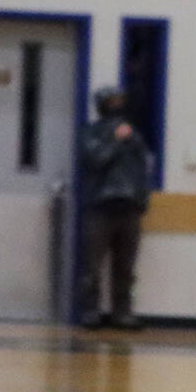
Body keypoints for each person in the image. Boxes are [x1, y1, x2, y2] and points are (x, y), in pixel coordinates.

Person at [79, 86, 151, 329]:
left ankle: (123, 312)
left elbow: (143, 167)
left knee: (126, 266)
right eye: (112, 101)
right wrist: (116, 140)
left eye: (119, 100)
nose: (117, 105)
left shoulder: (134, 135)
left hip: (129, 206)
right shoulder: (91, 132)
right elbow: (95, 160)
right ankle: (91, 312)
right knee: (92, 265)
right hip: (99, 206)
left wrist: (143, 201)